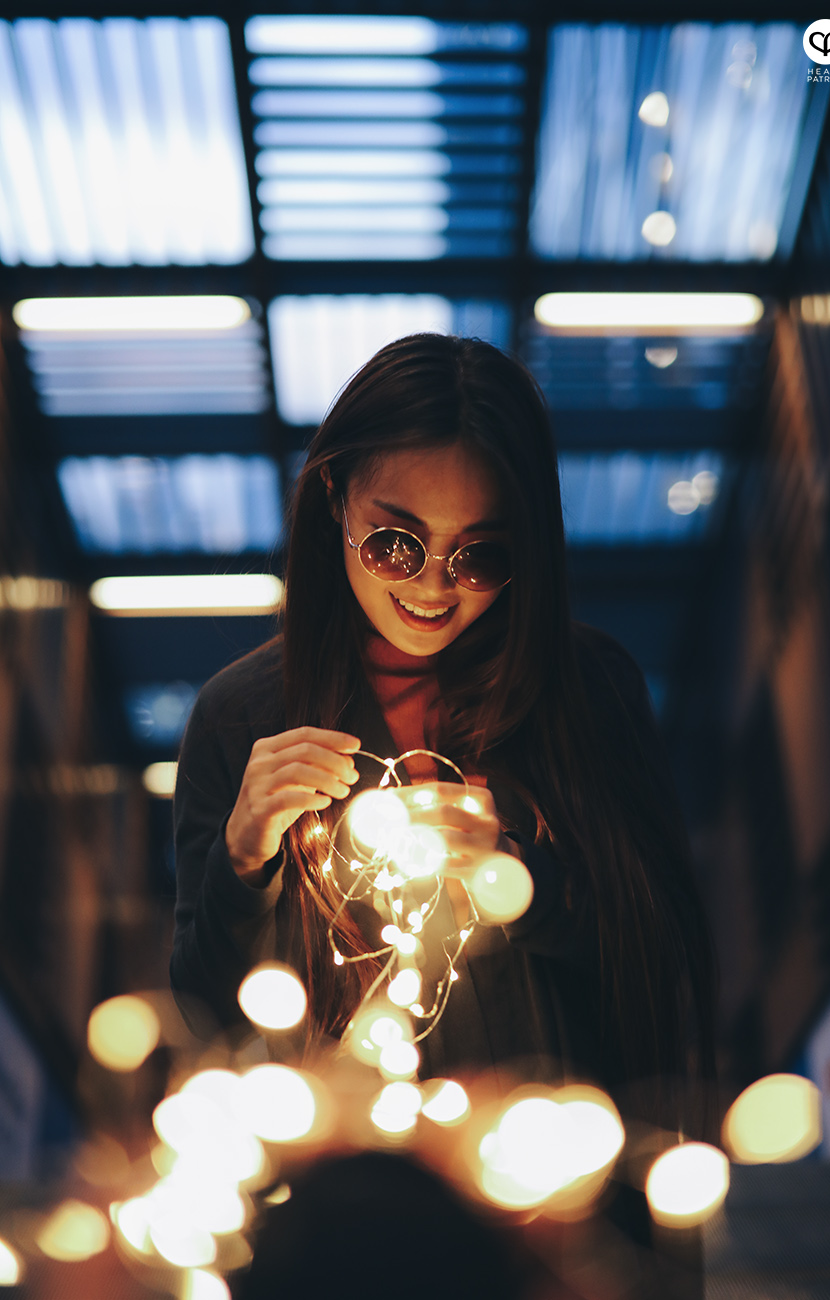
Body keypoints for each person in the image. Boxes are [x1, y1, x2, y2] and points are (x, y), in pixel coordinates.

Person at [171, 333, 717, 1141]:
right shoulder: (241, 715)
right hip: (338, 1196)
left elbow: (665, 969)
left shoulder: (587, 691)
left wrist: (518, 879)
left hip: (550, 1189)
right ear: (333, 498)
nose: (432, 586)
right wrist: (242, 863)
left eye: (479, 556)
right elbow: (199, 1021)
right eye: (394, 542)